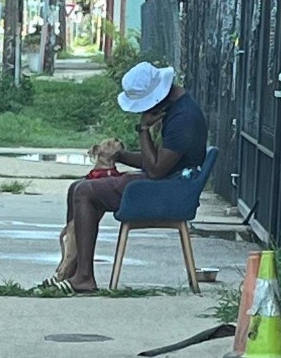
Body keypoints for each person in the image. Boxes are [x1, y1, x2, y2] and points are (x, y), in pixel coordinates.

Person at [52, 62, 207, 294]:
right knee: (77, 187)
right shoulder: (178, 109)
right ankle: (74, 267)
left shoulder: (183, 119)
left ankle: (83, 276)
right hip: (169, 184)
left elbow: (155, 170)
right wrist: (120, 155)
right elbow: (158, 162)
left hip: (170, 192)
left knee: (85, 191)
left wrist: (143, 130)